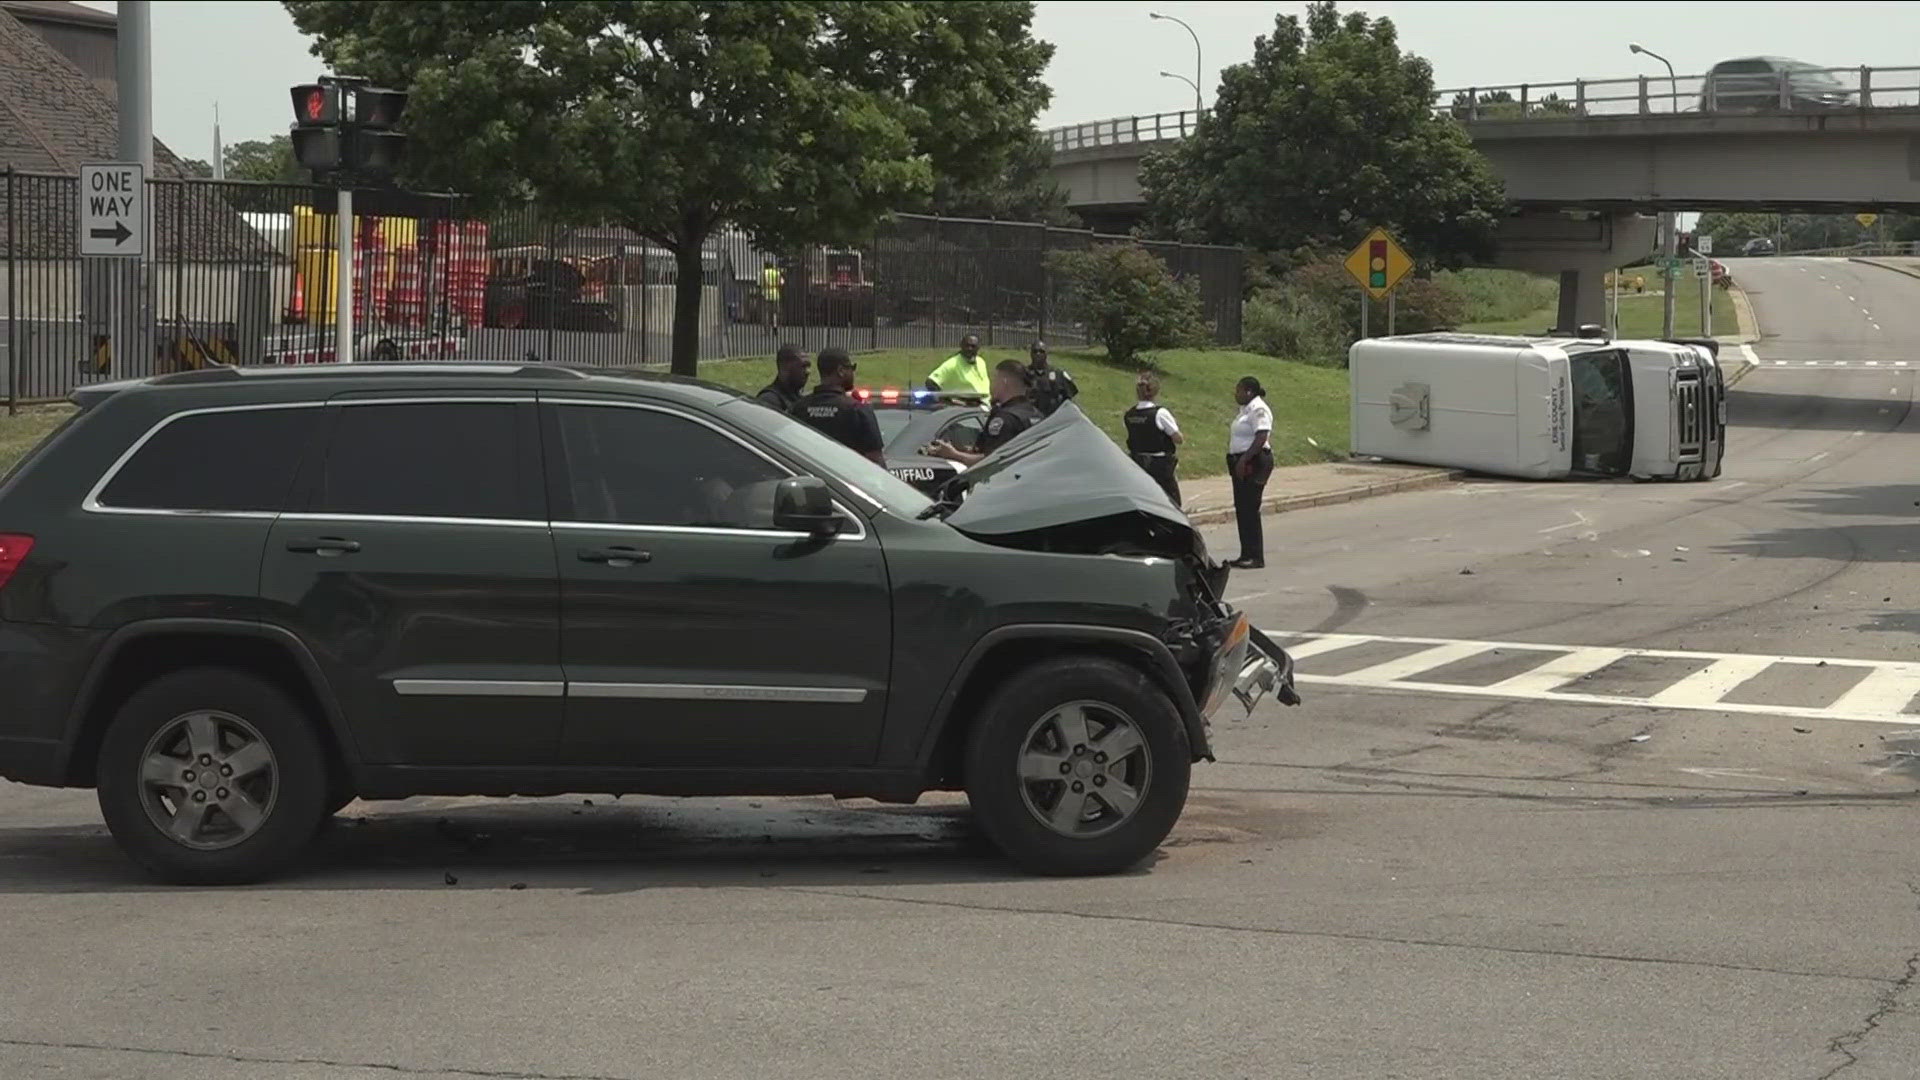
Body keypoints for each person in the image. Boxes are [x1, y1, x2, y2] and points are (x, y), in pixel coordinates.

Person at [927, 360, 1043, 467]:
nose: (992, 386)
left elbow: (990, 462)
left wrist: (953, 454)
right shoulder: (1038, 416)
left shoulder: (1005, 419)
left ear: (1004, 382)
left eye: (994, 380)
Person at [792, 347, 887, 467]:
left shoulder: (798, 408)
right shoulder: (858, 410)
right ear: (841, 370)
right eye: (851, 368)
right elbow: (876, 462)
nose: (853, 373)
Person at [1225, 375, 1275, 569]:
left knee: (1249, 508)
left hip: (1254, 461)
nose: (1235, 393)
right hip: (1242, 462)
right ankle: (1246, 553)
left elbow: (1262, 436)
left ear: (1248, 391)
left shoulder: (1258, 409)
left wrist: (1244, 459)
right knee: (1242, 509)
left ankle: (1255, 556)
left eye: (1238, 390)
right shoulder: (1245, 410)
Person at [1123, 371, 1184, 507]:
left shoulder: (1129, 414)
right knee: (1171, 503)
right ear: (1155, 392)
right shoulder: (1160, 413)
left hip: (1138, 463)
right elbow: (1178, 438)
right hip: (1160, 465)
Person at [924, 334, 991, 396]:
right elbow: (930, 382)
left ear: (978, 347)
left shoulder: (981, 362)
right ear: (961, 346)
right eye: (967, 345)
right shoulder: (953, 363)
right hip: (966, 406)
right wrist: (945, 399)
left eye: (973, 346)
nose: (969, 348)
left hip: (984, 404)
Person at [1026, 341, 1078, 416]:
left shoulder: (1059, 374)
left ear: (1047, 353)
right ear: (1031, 354)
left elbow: (1069, 399)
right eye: (1035, 351)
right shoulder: (1023, 374)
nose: (1038, 354)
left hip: (1053, 418)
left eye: (1041, 351)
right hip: (1031, 419)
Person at [753, 343, 809, 413]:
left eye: (808, 366)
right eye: (803, 366)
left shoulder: (797, 398)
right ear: (785, 368)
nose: (808, 371)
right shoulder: (769, 400)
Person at [760, 258, 784, 330]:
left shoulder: (763, 273)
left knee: (766, 311)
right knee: (775, 312)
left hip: (766, 294)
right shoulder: (776, 272)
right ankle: (775, 325)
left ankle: (766, 327)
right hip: (775, 293)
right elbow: (782, 282)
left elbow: (760, 283)